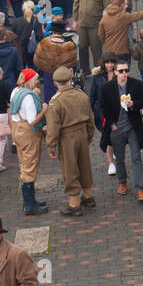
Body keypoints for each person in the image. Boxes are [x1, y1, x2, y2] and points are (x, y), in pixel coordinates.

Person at [46, 66, 97, 216]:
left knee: (70, 169)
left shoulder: (55, 102)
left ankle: (74, 204)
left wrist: (51, 146)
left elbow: (53, 128)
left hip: (67, 137)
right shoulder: (82, 95)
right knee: (84, 165)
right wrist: (88, 136)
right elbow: (90, 120)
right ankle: (88, 196)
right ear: (70, 80)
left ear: (55, 83)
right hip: (82, 134)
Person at [103, 58, 143, 202]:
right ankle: (122, 182)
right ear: (115, 72)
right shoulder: (107, 88)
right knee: (120, 158)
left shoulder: (136, 84)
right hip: (117, 128)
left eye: (126, 70)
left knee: (136, 157)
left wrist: (133, 104)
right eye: (121, 71)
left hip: (133, 127)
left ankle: (140, 188)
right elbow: (103, 107)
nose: (124, 74)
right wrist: (112, 124)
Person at [10, 69, 49, 216]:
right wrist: (44, 110)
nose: (38, 81)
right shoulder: (29, 98)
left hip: (17, 130)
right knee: (30, 166)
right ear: (30, 80)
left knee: (24, 164)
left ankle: (31, 201)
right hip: (28, 133)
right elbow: (33, 121)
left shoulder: (16, 91)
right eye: (36, 79)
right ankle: (29, 205)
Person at [73, 0, 109, 75]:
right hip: (82, 23)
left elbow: (107, 9)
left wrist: (104, 24)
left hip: (95, 24)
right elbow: (76, 4)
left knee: (96, 48)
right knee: (82, 46)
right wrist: (75, 20)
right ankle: (85, 69)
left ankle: (99, 68)